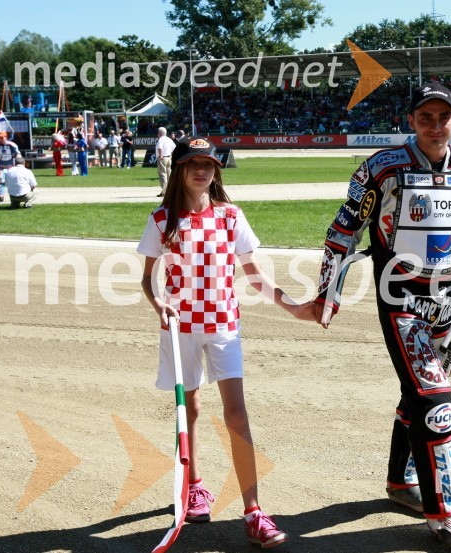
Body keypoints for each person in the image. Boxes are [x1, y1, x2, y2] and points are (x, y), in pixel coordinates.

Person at [309, 82, 451, 545]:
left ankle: (401, 482)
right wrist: (327, 292)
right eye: (425, 118)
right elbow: (343, 230)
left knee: (415, 396)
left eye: (443, 117)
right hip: (399, 298)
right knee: (435, 401)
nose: (435, 126)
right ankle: (445, 513)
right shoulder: (381, 168)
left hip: (449, 301)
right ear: (411, 121)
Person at [137, 136, 312, 549]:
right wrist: (159, 303)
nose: (202, 171)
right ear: (179, 169)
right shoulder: (162, 219)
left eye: (209, 164)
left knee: (236, 414)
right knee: (190, 409)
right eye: (193, 164)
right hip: (180, 327)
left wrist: (293, 307)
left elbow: (255, 276)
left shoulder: (230, 216)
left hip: (223, 325)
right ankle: (194, 485)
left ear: (216, 171)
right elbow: (148, 278)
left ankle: (254, 512)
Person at [0, 132, 19, 202]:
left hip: (11, 167)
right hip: (1, 166)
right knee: (1, 180)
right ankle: (1, 195)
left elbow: (17, 154)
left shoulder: (12, 145)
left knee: (12, 181)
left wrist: (19, 163)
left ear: (6, 137)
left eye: (2, 137)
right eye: (0, 137)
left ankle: (15, 195)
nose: (1, 139)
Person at [155, 126, 175, 196]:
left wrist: (160, 155)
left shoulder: (161, 139)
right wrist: (171, 156)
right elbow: (174, 148)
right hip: (169, 158)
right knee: (169, 175)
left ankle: (164, 192)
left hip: (163, 158)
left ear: (159, 133)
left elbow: (159, 148)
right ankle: (169, 190)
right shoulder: (169, 139)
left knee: (163, 175)